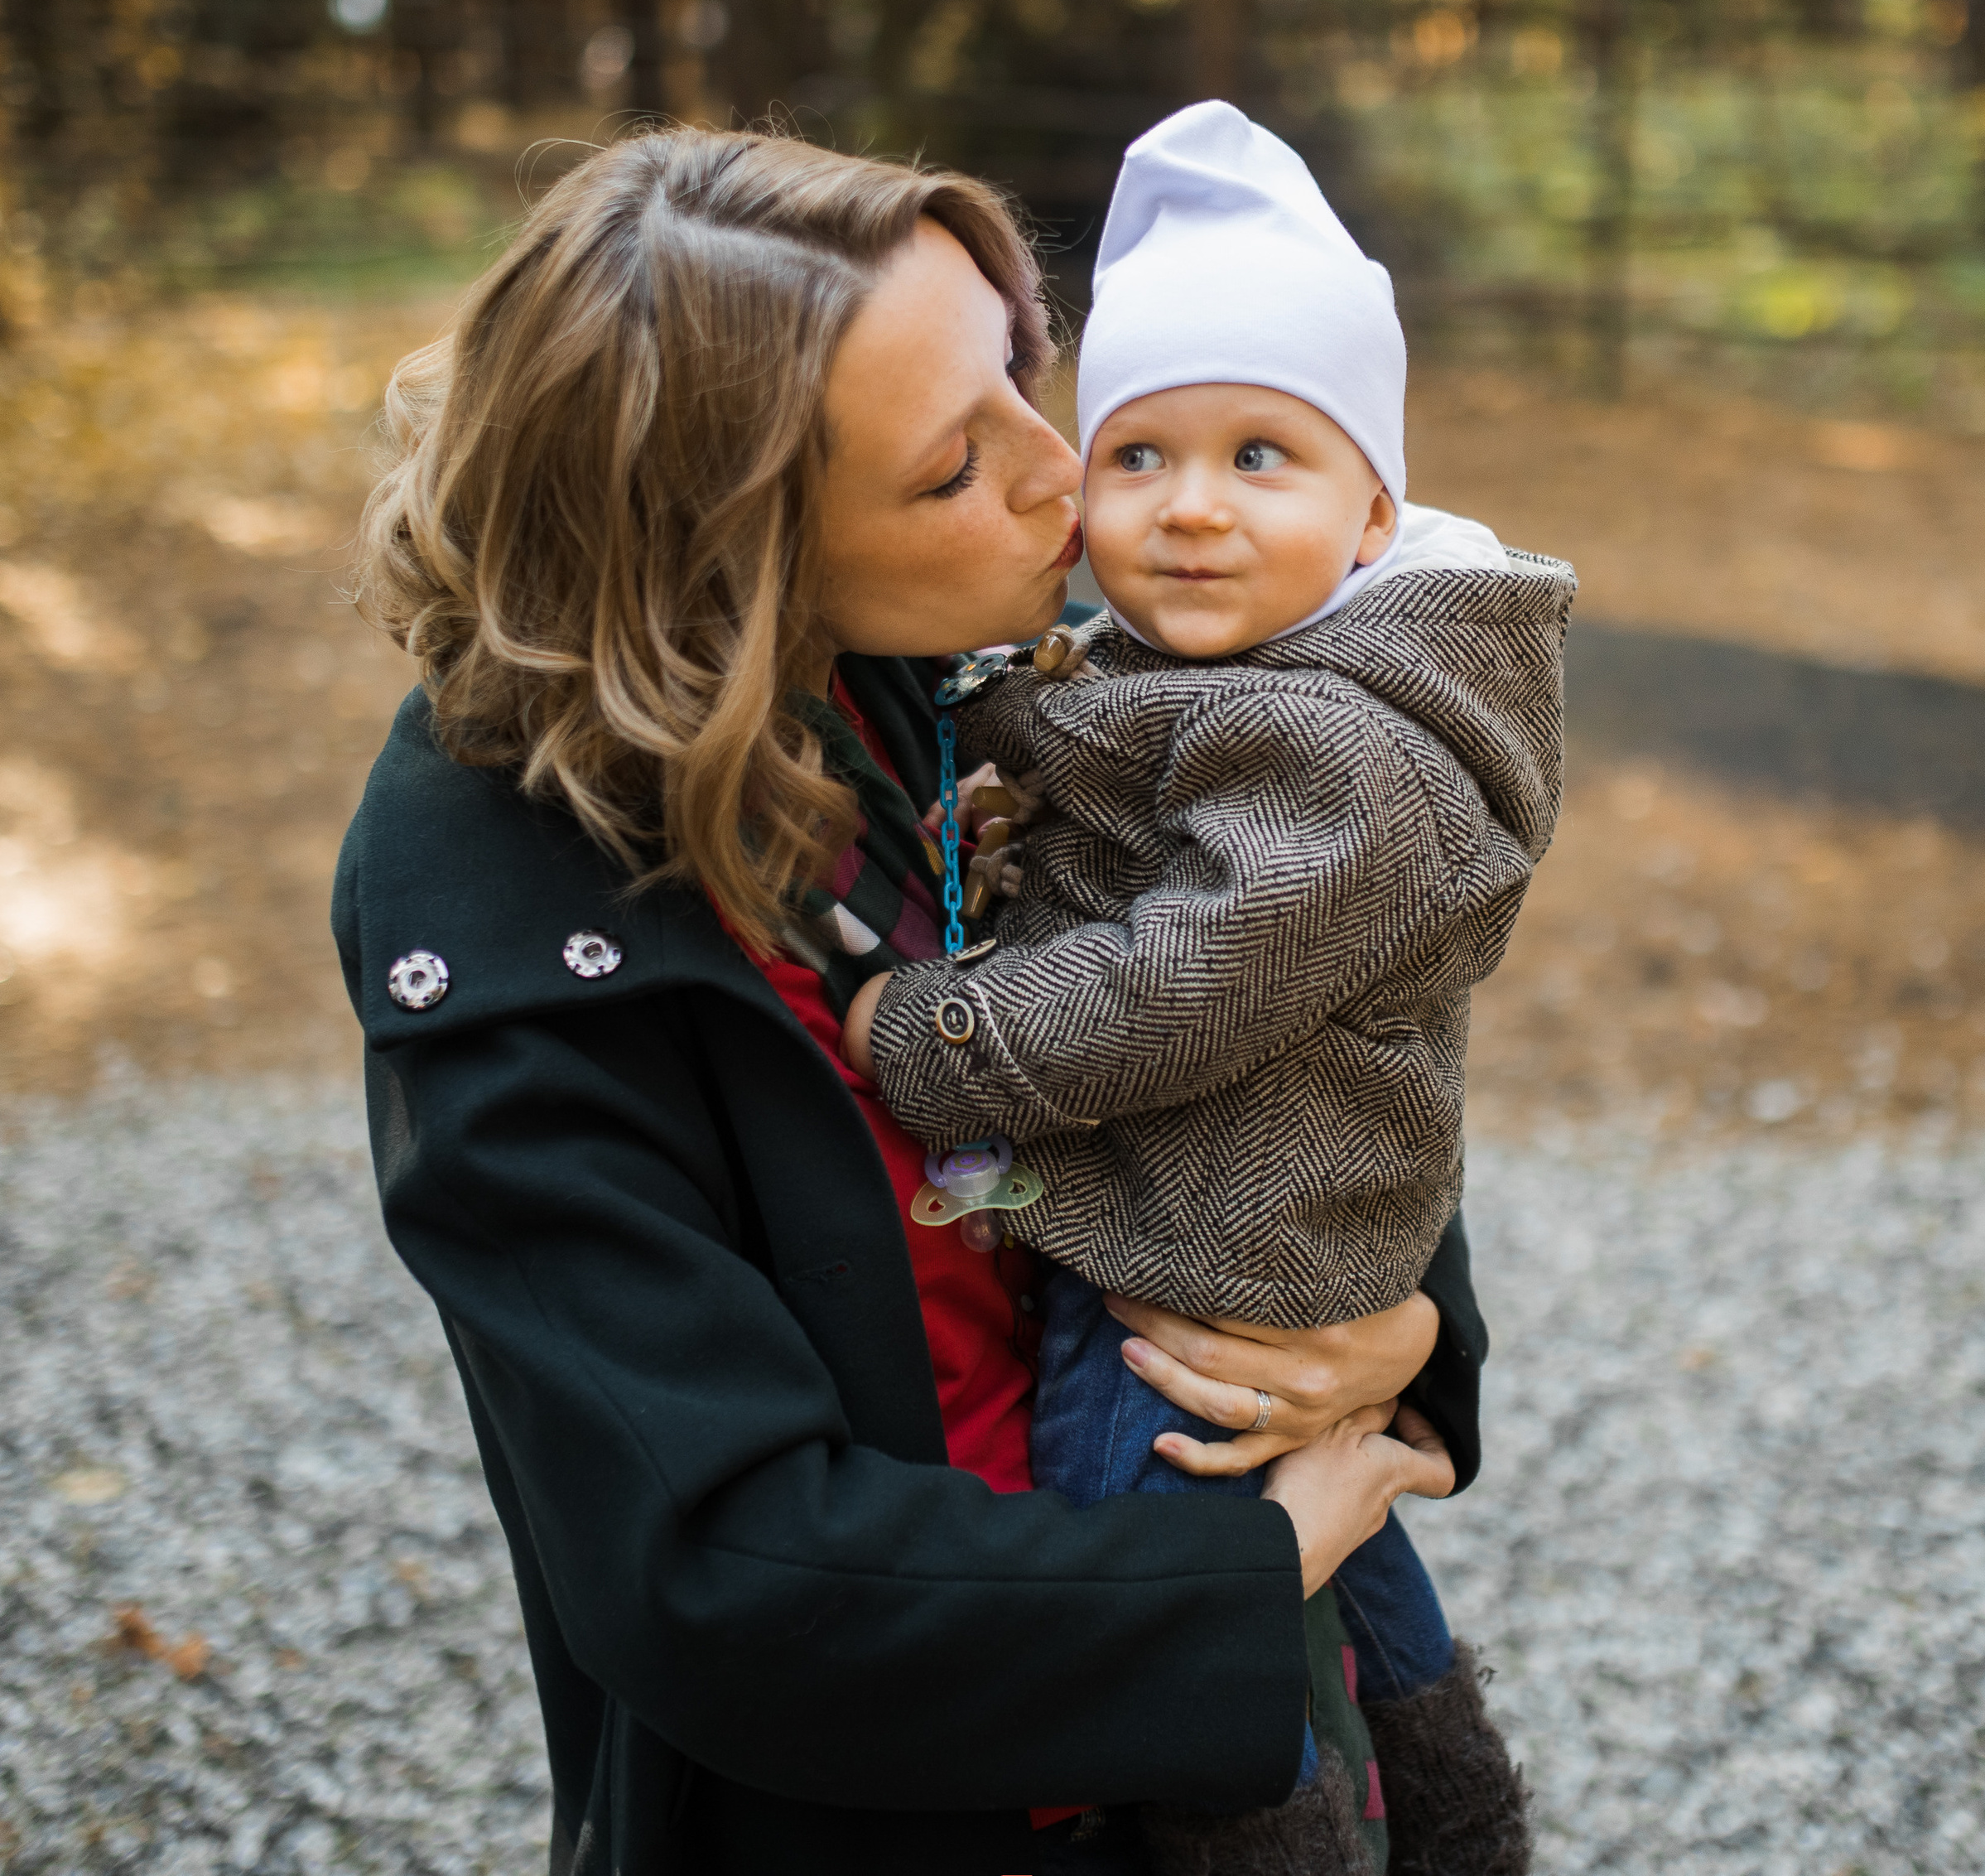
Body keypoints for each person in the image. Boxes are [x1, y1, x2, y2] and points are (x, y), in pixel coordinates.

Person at [334, 124, 1492, 1876]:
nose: (1067, 473)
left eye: (1025, 371)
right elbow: (724, 1568)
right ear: (732, 564)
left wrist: (1399, 1338)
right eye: (956, 464)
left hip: (1220, 1632)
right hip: (928, 1798)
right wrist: (1240, 1569)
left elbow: (1297, 1008)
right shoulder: (515, 931)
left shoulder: (974, 681)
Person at [847, 103, 1568, 1872]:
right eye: (1139, 454)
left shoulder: (1334, 745)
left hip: (1210, 1252)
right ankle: (1456, 1804)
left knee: (1151, 1559)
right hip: (1264, 1221)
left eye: (1262, 457)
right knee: (1340, 1545)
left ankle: (1262, 1838)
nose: (1187, 508)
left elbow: (1189, 978)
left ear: (1372, 508)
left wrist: (940, 1034)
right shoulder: (1209, 675)